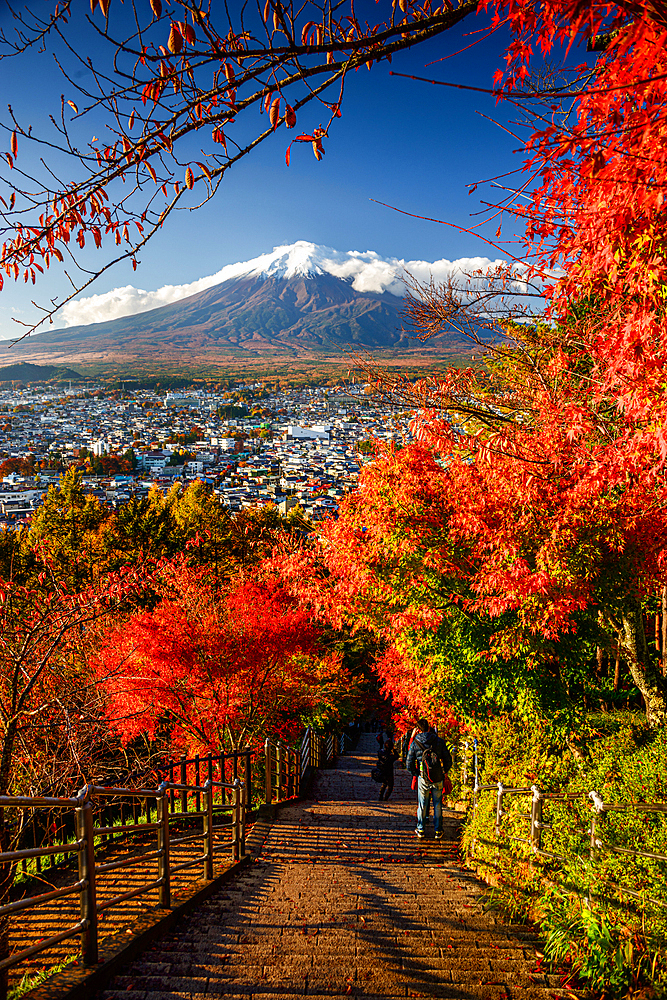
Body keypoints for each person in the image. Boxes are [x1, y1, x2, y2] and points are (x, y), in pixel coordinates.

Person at [405, 718, 452, 840]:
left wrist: (416, 773)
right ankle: (438, 830)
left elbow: (408, 763)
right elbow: (448, 760)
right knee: (437, 804)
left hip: (423, 777)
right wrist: (444, 771)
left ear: (418, 730)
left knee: (422, 803)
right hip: (437, 777)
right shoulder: (439, 741)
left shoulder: (416, 743)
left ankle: (421, 829)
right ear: (429, 728)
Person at [376, 736, 399, 801]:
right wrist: (394, 750)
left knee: (384, 784)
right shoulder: (390, 757)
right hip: (389, 772)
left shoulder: (381, 753)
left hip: (382, 770)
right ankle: (385, 797)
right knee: (390, 786)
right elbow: (397, 756)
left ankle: (380, 796)